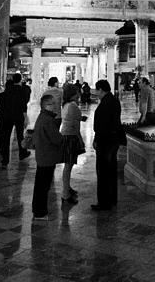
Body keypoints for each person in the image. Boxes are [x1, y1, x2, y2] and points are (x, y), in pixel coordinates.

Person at [92, 79, 124, 211]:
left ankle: (104, 202)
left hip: (105, 142)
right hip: (113, 140)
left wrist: (96, 139)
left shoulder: (105, 103)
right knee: (111, 170)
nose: (96, 93)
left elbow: (102, 126)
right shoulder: (114, 100)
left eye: (97, 90)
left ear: (101, 89)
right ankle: (112, 199)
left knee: (103, 171)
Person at [31, 94, 63, 221]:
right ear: (47, 105)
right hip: (47, 156)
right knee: (43, 186)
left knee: (41, 185)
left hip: (43, 156)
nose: (56, 106)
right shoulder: (48, 120)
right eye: (53, 104)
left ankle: (38, 211)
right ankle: (40, 212)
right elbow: (56, 139)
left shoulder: (43, 117)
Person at [0, 76, 30, 167]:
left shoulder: (7, 91)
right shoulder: (22, 90)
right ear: (20, 80)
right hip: (18, 116)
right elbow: (23, 105)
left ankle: (5, 161)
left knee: (6, 138)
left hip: (7, 116)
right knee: (20, 135)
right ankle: (22, 154)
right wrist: (25, 117)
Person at [60, 84, 87, 204]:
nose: (79, 94)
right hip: (71, 137)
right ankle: (65, 194)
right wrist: (80, 140)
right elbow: (75, 127)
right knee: (68, 166)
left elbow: (71, 119)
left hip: (65, 135)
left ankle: (67, 188)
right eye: (77, 93)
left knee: (67, 166)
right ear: (73, 94)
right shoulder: (73, 106)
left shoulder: (66, 105)